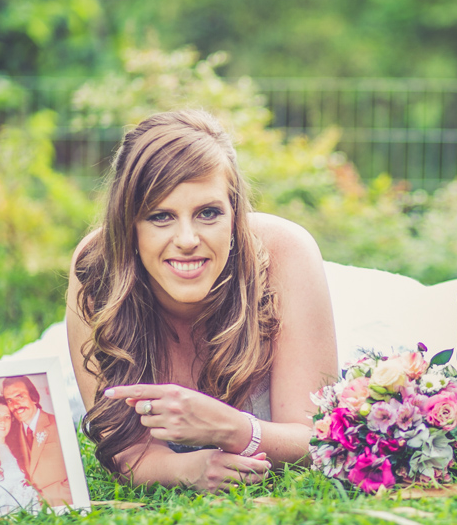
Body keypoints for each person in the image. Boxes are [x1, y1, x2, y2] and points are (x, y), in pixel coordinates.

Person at [66, 109, 338, 491]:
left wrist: (232, 429)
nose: (187, 240)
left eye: (208, 213)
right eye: (160, 216)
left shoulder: (287, 253)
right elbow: (127, 454)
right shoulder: (97, 269)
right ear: (129, 225)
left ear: (235, 215)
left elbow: (316, 439)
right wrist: (191, 468)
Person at [3, 375, 71, 506]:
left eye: (19, 396)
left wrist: (39, 498)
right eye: (9, 401)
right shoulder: (11, 435)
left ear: (34, 397)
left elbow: (76, 477)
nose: (15, 405)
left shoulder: (58, 424)